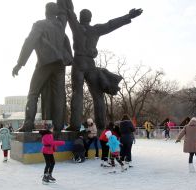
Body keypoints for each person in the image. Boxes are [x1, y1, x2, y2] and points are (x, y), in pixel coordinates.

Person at [66, 0, 142, 130]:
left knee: (77, 93)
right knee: (98, 95)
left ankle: (74, 125)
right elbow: (111, 24)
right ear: (90, 18)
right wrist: (128, 16)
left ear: (79, 18)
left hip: (79, 62)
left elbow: (69, 11)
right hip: (90, 63)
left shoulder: (76, 27)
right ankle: (101, 126)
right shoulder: (95, 29)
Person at [12, 1, 72, 132]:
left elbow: (29, 43)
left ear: (46, 12)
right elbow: (63, 10)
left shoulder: (40, 25)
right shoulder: (61, 24)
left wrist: (20, 63)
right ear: (56, 13)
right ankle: (58, 125)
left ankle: (28, 123)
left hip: (45, 64)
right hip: (60, 64)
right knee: (59, 95)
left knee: (33, 93)